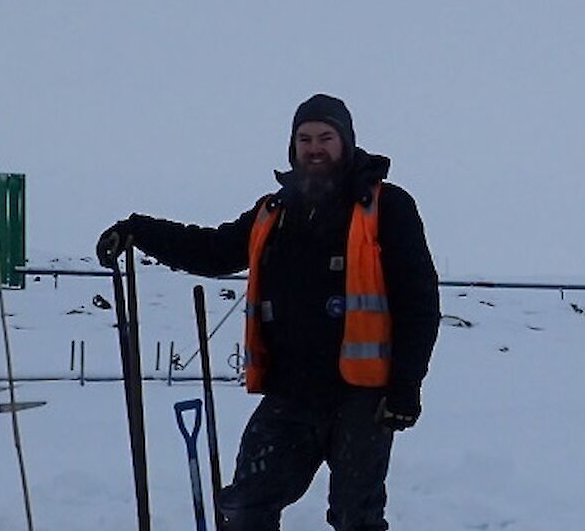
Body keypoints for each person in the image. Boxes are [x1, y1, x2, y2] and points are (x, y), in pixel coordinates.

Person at [97, 93, 441, 531]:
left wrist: (405, 387)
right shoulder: (274, 212)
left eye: (326, 137)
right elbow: (214, 250)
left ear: (347, 143)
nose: (314, 147)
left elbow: (419, 301)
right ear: (292, 147)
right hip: (291, 393)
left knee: (356, 517)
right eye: (304, 138)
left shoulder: (387, 207)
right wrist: (138, 230)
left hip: (363, 395)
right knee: (245, 506)